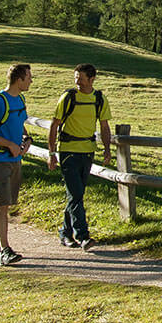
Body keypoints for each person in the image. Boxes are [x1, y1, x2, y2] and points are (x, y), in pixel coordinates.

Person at [46, 62, 114, 249]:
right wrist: (52, 153)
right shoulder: (67, 97)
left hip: (87, 152)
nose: (78, 83)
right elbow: (54, 125)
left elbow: (104, 126)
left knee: (76, 194)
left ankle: (65, 233)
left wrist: (107, 149)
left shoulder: (99, 99)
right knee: (76, 194)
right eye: (76, 79)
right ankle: (83, 236)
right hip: (68, 151)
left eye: (81, 80)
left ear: (92, 79)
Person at [0, 62, 35, 266]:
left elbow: (20, 126)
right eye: (29, 77)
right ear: (19, 79)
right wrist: (10, 144)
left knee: (4, 204)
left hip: (14, 158)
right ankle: (5, 251)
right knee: (1, 205)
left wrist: (26, 140)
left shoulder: (19, 99)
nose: (31, 80)